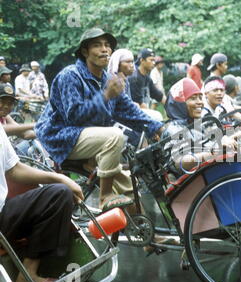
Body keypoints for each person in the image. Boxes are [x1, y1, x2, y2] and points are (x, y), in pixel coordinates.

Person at [35, 27, 164, 214]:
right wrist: (105, 96)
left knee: (130, 185)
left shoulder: (108, 79)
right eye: (97, 45)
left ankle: (147, 236)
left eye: (107, 46)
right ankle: (105, 197)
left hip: (92, 137)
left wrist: (158, 128)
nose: (104, 49)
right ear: (85, 51)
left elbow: (128, 111)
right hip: (61, 136)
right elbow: (74, 116)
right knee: (114, 136)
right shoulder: (70, 75)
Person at [0, 83, 83, 282]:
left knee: (59, 194)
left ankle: (27, 277)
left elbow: (15, 169)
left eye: (9, 102)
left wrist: (59, 178)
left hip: (3, 213)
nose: (5, 106)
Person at [128, 48, 165, 121]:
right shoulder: (134, 78)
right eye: (151, 60)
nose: (154, 63)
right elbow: (139, 103)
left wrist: (173, 108)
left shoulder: (147, 78)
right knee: (157, 116)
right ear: (142, 60)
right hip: (133, 115)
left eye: (154, 60)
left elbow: (159, 95)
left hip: (143, 113)